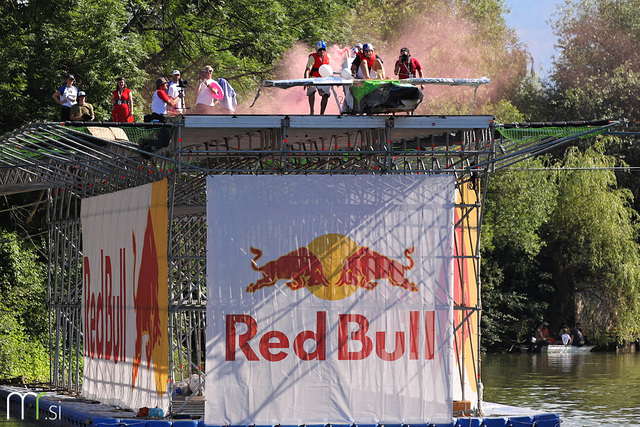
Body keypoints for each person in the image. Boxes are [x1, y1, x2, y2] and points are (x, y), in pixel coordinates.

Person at [304, 41, 331, 115]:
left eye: (323, 50)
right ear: (316, 50)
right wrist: (306, 81)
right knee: (311, 90)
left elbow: (328, 70)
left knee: (326, 94)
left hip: (322, 78)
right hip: (313, 78)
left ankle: (322, 113)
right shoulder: (312, 57)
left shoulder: (328, 57)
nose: (321, 51)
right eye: (319, 50)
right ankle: (312, 111)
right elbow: (307, 70)